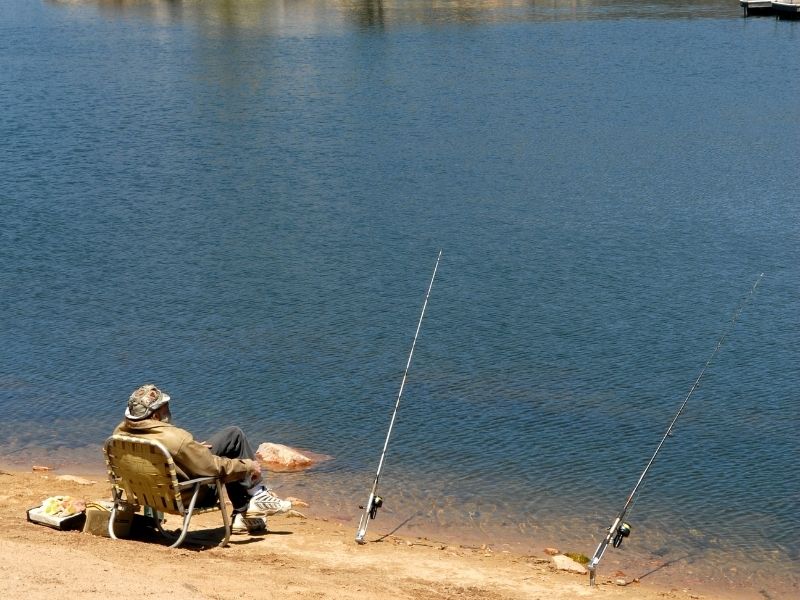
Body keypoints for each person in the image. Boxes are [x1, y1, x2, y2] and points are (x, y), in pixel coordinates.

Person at [114, 383, 290, 535]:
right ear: (155, 416)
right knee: (234, 437)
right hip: (188, 497)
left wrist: (193, 449)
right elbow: (215, 468)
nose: (169, 409)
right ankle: (256, 496)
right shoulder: (175, 439)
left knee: (228, 438)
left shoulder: (119, 435)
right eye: (165, 407)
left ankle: (248, 508)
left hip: (149, 494)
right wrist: (248, 466)